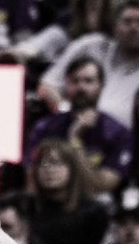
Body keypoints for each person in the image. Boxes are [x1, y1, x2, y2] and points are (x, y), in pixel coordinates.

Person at [24, 57, 133, 195]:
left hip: (97, 207)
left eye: (89, 81)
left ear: (102, 85)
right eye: (75, 81)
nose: (81, 88)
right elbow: (32, 180)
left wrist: (75, 139)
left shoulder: (119, 133)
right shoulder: (44, 127)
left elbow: (104, 185)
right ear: (66, 85)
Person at [39, 0, 139, 131]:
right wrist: (68, 113)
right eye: (127, 21)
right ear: (115, 25)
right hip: (78, 135)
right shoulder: (90, 46)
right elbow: (47, 86)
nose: (133, 28)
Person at [26, 139, 110, 244]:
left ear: (72, 169)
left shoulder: (93, 212)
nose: (48, 169)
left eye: (55, 162)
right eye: (42, 163)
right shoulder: (25, 206)